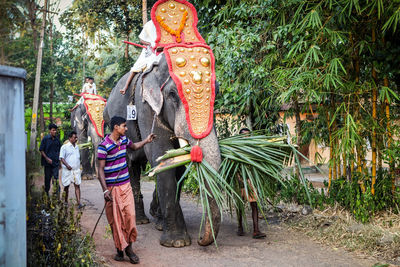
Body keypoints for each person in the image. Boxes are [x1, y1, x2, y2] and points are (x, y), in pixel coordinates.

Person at [97, 116, 155, 264]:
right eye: (124, 126)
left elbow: (134, 146)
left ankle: (129, 249)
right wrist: (105, 191)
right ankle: (119, 250)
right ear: (116, 127)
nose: (126, 128)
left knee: (129, 217)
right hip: (112, 188)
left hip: (125, 186)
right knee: (116, 221)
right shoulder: (103, 146)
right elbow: (100, 171)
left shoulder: (124, 140)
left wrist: (147, 140)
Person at [236, 128, 266, 239]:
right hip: (239, 181)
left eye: (248, 135)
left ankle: (256, 230)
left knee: (254, 205)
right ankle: (240, 227)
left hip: (250, 180)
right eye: (244, 135)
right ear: (239, 137)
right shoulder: (235, 149)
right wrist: (239, 179)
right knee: (239, 205)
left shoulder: (252, 149)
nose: (246, 137)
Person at [120, 20, 162, 95]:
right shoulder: (149, 24)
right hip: (149, 50)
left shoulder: (165, 22)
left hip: (163, 49)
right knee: (136, 67)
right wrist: (150, 44)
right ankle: (125, 87)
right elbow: (141, 39)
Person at [60, 131, 84, 208]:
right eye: (74, 137)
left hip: (76, 170)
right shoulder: (64, 147)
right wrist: (67, 165)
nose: (76, 139)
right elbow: (61, 158)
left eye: (76, 137)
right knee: (66, 186)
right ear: (70, 138)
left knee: (77, 185)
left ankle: (79, 202)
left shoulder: (76, 147)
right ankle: (65, 201)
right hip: (67, 170)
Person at [39, 123, 61, 196]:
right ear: (50, 131)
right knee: (47, 179)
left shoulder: (57, 140)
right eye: (53, 130)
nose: (55, 132)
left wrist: (60, 162)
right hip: (47, 164)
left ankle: (56, 195)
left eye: (55, 130)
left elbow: (59, 151)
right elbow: (41, 150)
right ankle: (46, 195)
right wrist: (47, 158)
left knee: (55, 179)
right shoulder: (45, 139)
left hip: (55, 163)